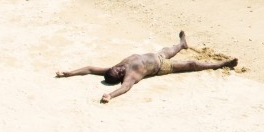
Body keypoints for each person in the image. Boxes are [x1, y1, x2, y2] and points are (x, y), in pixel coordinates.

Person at [56, 31, 237, 103]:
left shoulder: (112, 69)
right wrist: (110, 95)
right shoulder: (130, 76)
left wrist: (69, 73)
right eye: (119, 71)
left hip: (155, 55)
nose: (120, 68)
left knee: (170, 49)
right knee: (192, 64)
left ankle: (182, 44)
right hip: (161, 66)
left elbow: (89, 69)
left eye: (116, 68)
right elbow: (125, 88)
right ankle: (222, 64)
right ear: (120, 76)